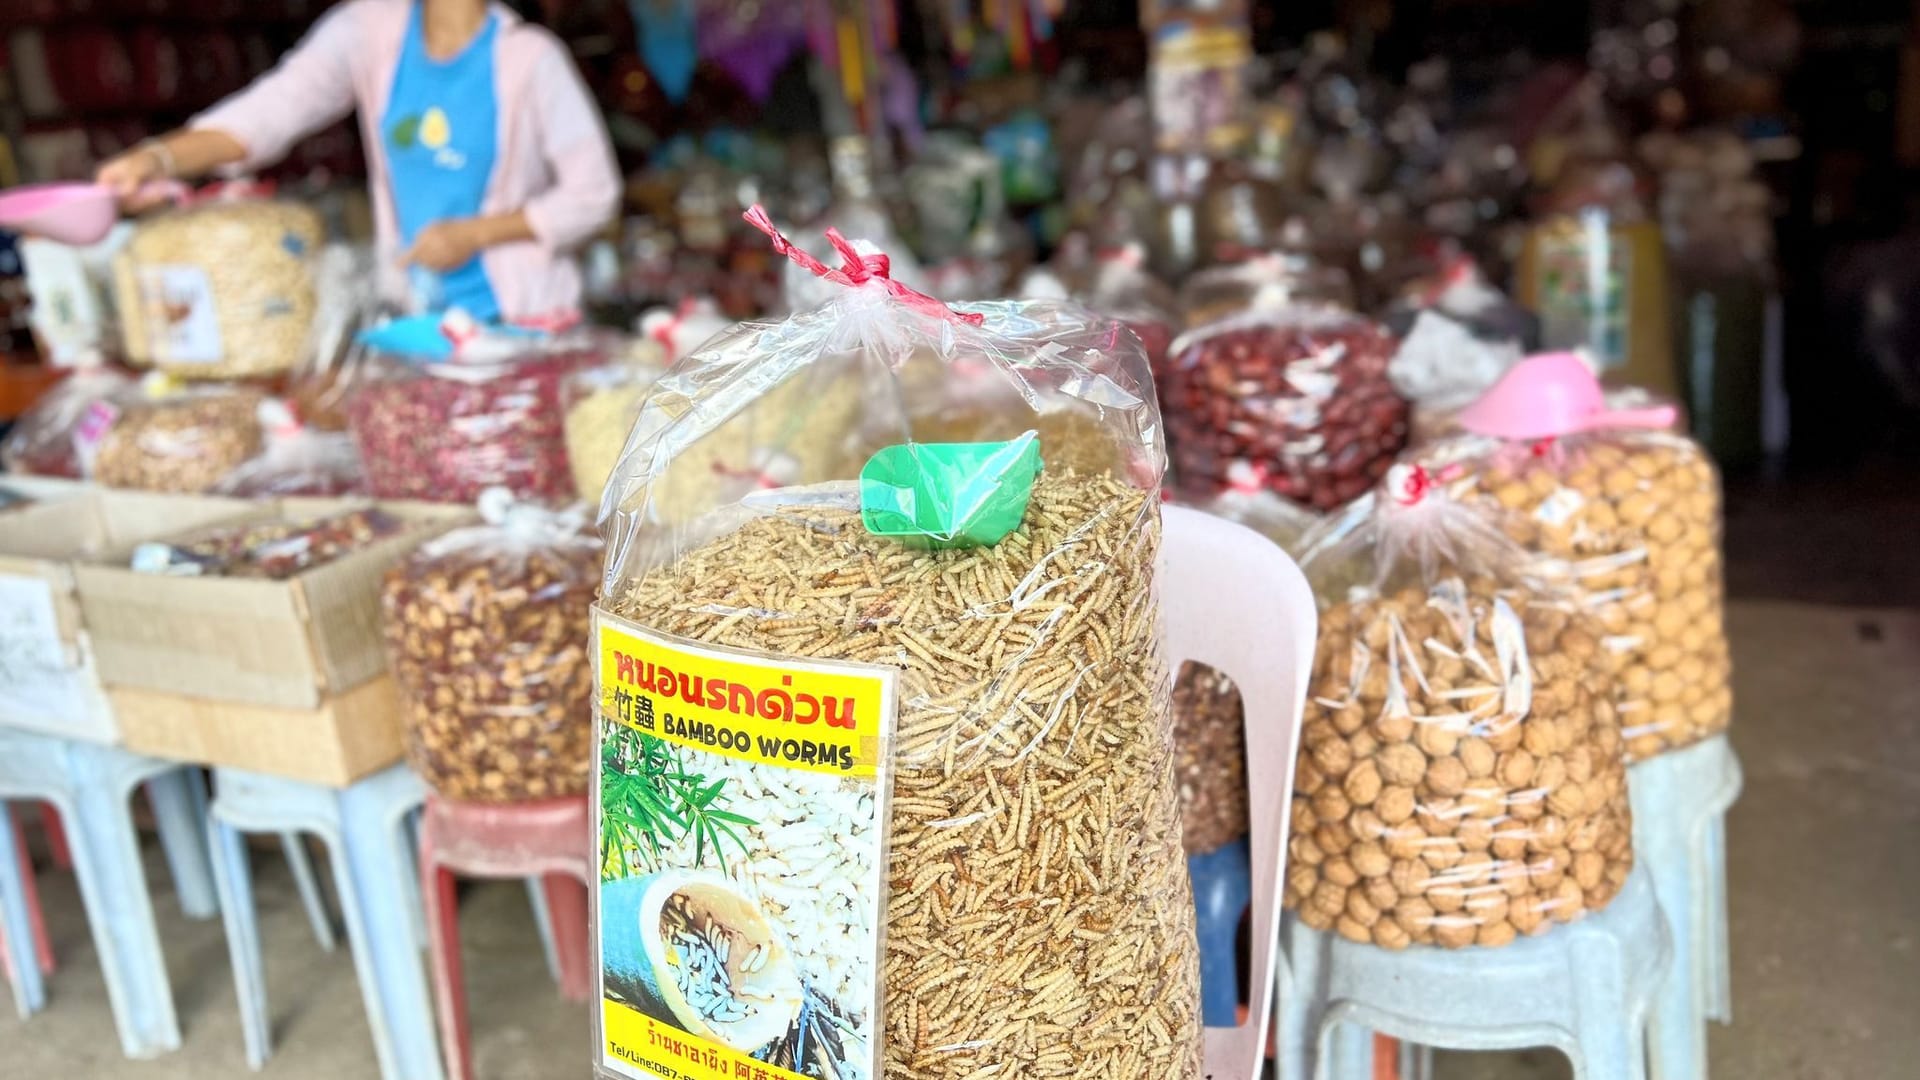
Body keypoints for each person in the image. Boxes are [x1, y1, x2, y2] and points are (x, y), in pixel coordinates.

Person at [96, 0, 620, 323]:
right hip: (416, 323)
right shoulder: (367, 31)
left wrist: (474, 235)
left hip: (522, 320)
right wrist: (158, 158)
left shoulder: (530, 57)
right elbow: (272, 109)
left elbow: (594, 194)